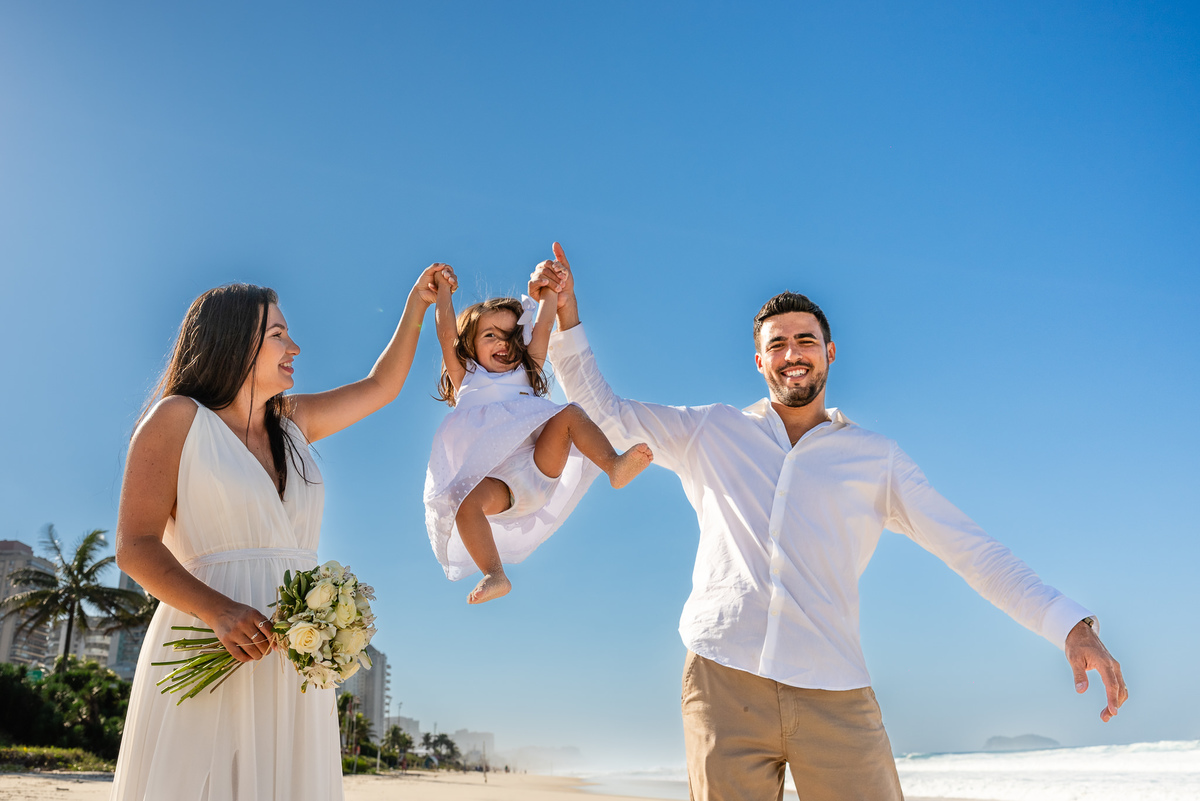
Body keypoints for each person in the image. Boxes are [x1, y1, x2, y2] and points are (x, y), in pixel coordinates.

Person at [531, 244, 1127, 801]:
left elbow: (970, 549)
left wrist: (1068, 625)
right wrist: (565, 318)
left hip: (834, 689)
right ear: (760, 359)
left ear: (830, 351)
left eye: (806, 340)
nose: (793, 353)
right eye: (779, 344)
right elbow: (605, 417)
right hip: (722, 680)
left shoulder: (877, 460)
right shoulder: (712, 433)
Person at [110, 264, 454, 801]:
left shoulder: (290, 422)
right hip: (207, 638)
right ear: (232, 341)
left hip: (294, 654)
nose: (294, 346)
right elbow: (134, 546)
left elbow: (382, 386)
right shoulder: (176, 418)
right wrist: (218, 610)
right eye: (277, 334)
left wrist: (417, 306)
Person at [423, 267, 653, 604]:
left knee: (569, 413)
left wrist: (548, 288)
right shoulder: (467, 379)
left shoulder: (525, 373)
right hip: (501, 489)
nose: (503, 342)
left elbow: (544, 324)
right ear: (469, 345)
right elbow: (445, 333)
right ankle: (494, 573)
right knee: (464, 499)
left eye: (510, 335)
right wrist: (443, 291)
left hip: (538, 467)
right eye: (490, 335)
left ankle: (614, 465)